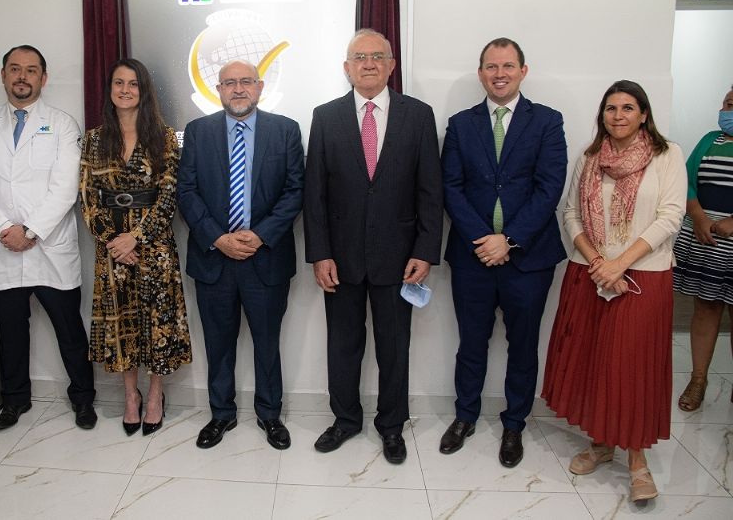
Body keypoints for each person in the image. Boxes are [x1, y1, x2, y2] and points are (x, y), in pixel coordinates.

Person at [542, 80, 685, 503]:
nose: (617, 116)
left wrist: (620, 263)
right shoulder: (590, 159)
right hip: (589, 273)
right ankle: (601, 443)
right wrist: (599, 261)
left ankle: (637, 461)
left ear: (644, 114)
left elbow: (671, 216)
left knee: (632, 367)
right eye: (610, 108)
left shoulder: (667, 155)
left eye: (627, 108)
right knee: (593, 361)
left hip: (644, 278)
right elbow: (570, 213)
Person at [303, 29, 442, 465]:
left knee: (393, 346)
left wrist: (424, 250)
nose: (368, 64)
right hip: (339, 259)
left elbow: (430, 192)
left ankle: (391, 426)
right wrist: (320, 253)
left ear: (391, 65)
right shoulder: (325, 117)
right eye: (359, 57)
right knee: (343, 345)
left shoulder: (418, 116)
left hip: (400, 258)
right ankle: (345, 420)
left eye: (377, 56)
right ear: (346, 67)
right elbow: (315, 195)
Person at [439, 38, 568, 468]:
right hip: (472, 255)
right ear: (480, 73)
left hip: (529, 258)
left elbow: (549, 188)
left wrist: (509, 239)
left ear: (522, 71)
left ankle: (514, 423)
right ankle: (465, 416)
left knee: (523, 344)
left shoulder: (547, 122)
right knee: (471, 342)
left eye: (508, 66)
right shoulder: (460, 124)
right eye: (491, 66)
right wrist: (483, 239)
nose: (499, 73)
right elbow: (451, 188)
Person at [0, 45, 97, 431]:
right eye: (14, 69)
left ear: (44, 77)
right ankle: (15, 401)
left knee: (70, 331)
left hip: (49, 245)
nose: (22, 76)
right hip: (4, 245)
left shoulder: (62, 124)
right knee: (11, 332)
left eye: (31, 70)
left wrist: (32, 230)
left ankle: (83, 399)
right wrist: (4, 229)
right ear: (3, 75)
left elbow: (64, 187)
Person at [178, 58, 302, 450]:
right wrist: (218, 238)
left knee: (268, 343)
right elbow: (187, 191)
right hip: (214, 259)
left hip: (265, 259)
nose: (237, 89)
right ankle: (221, 415)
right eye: (229, 83)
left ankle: (270, 415)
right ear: (218, 89)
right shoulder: (198, 132)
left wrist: (259, 235)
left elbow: (294, 190)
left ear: (260, 86)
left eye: (245, 82)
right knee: (218, 343)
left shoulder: (285, 130)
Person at [83, 58, 191, 437]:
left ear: (144, 92)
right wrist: (113, 241)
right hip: (111, 249)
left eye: (133, 84)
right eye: (118, 83)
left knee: (156, 325)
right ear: (110, 89)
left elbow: (169, 196)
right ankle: (131, 396)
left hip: (154, 246)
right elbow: (86, 195)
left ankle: (157, 395)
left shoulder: (164, 137)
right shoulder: (94, 139)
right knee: (121, 327)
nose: (125, 90)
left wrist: (138, 238)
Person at [672, 85, 733, 411]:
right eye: (727, 103)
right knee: (705, 309)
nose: (729, 111)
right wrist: (697, 216)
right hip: (705, 240)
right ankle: (698, 380)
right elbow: (687, 179)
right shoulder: (711, 140)